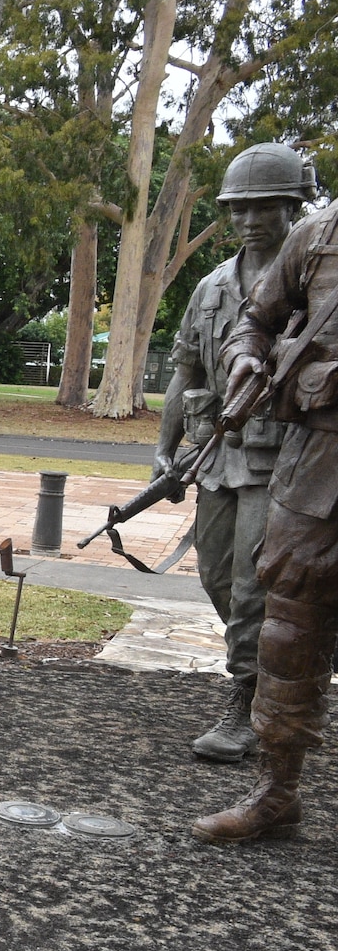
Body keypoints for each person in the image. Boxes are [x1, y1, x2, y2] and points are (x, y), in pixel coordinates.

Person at [193, 146, 336, 843]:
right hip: (318, 456)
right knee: (286, 611)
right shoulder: (320, 239)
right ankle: (277, 789)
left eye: (260, 205)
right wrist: (248, 354)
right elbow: (255, 318)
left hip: (296, 456)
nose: (248, 218)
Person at [154, 142, 310, 762]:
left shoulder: (313, 279)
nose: (249, 220)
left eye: (263, 206)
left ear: (291, 205)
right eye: (238, 208)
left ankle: (246, 705)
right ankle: (278, 672)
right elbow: (185, 370)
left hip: (283, 459)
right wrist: (165, 449)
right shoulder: (214, 286)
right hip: (217, 455)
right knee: (216, 573)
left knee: (254, 583)